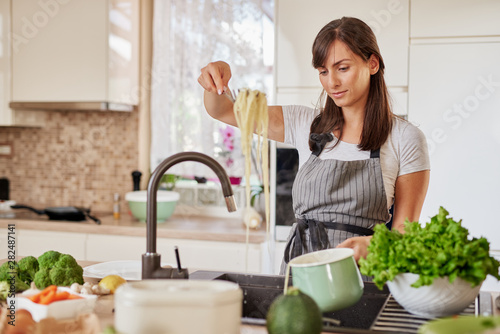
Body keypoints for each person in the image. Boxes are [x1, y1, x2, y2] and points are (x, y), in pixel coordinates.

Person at [198, 17, 430, 273]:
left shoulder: (405, 138)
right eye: (323, 71)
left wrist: (375, 246)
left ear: (372, 64)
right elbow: (222, 110)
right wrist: (215, 78)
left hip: (362, 278)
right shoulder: (304, 123)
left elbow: (404, 233)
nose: (332, 82)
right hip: (299, 274)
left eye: (342, 68)